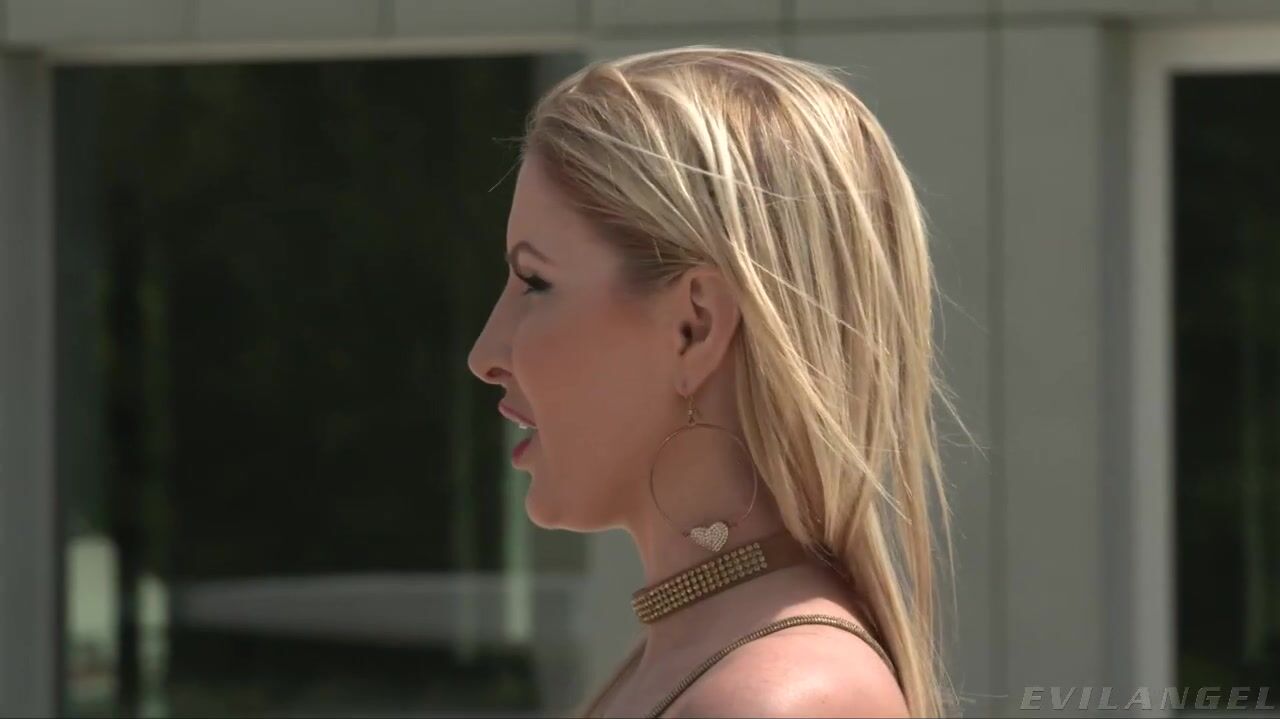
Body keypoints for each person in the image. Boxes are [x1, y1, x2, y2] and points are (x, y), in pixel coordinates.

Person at [468, 45, 962, 718]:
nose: (485, 355)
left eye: (534, 281)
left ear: (695, 326)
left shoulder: (768, 699)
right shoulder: (696, 658)